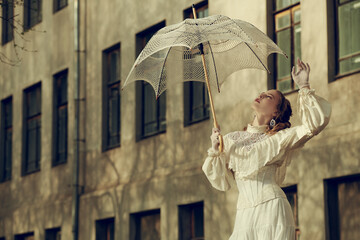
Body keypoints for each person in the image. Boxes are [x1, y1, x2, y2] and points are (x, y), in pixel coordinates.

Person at [202, 59, 332, 240]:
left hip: (273, 210)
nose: (261, 96)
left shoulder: (279, 139)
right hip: (244, 217)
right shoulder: (231, 140)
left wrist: (304, 86)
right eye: (261, 93)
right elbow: (220, 182)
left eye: (268, 97)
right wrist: (215, 149)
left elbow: (313, 125)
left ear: (276, 113)